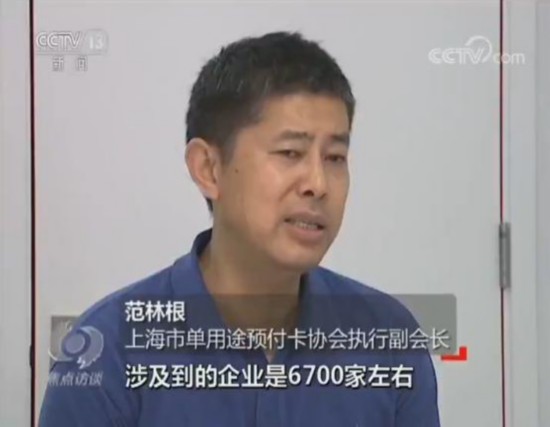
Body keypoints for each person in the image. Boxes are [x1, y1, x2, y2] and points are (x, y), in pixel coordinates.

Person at [39, 31, 440, 426]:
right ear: (208, 169)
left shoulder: (389, 341)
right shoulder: (107, 353)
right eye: (290, 152)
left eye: (335, 157)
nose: (318, 184)